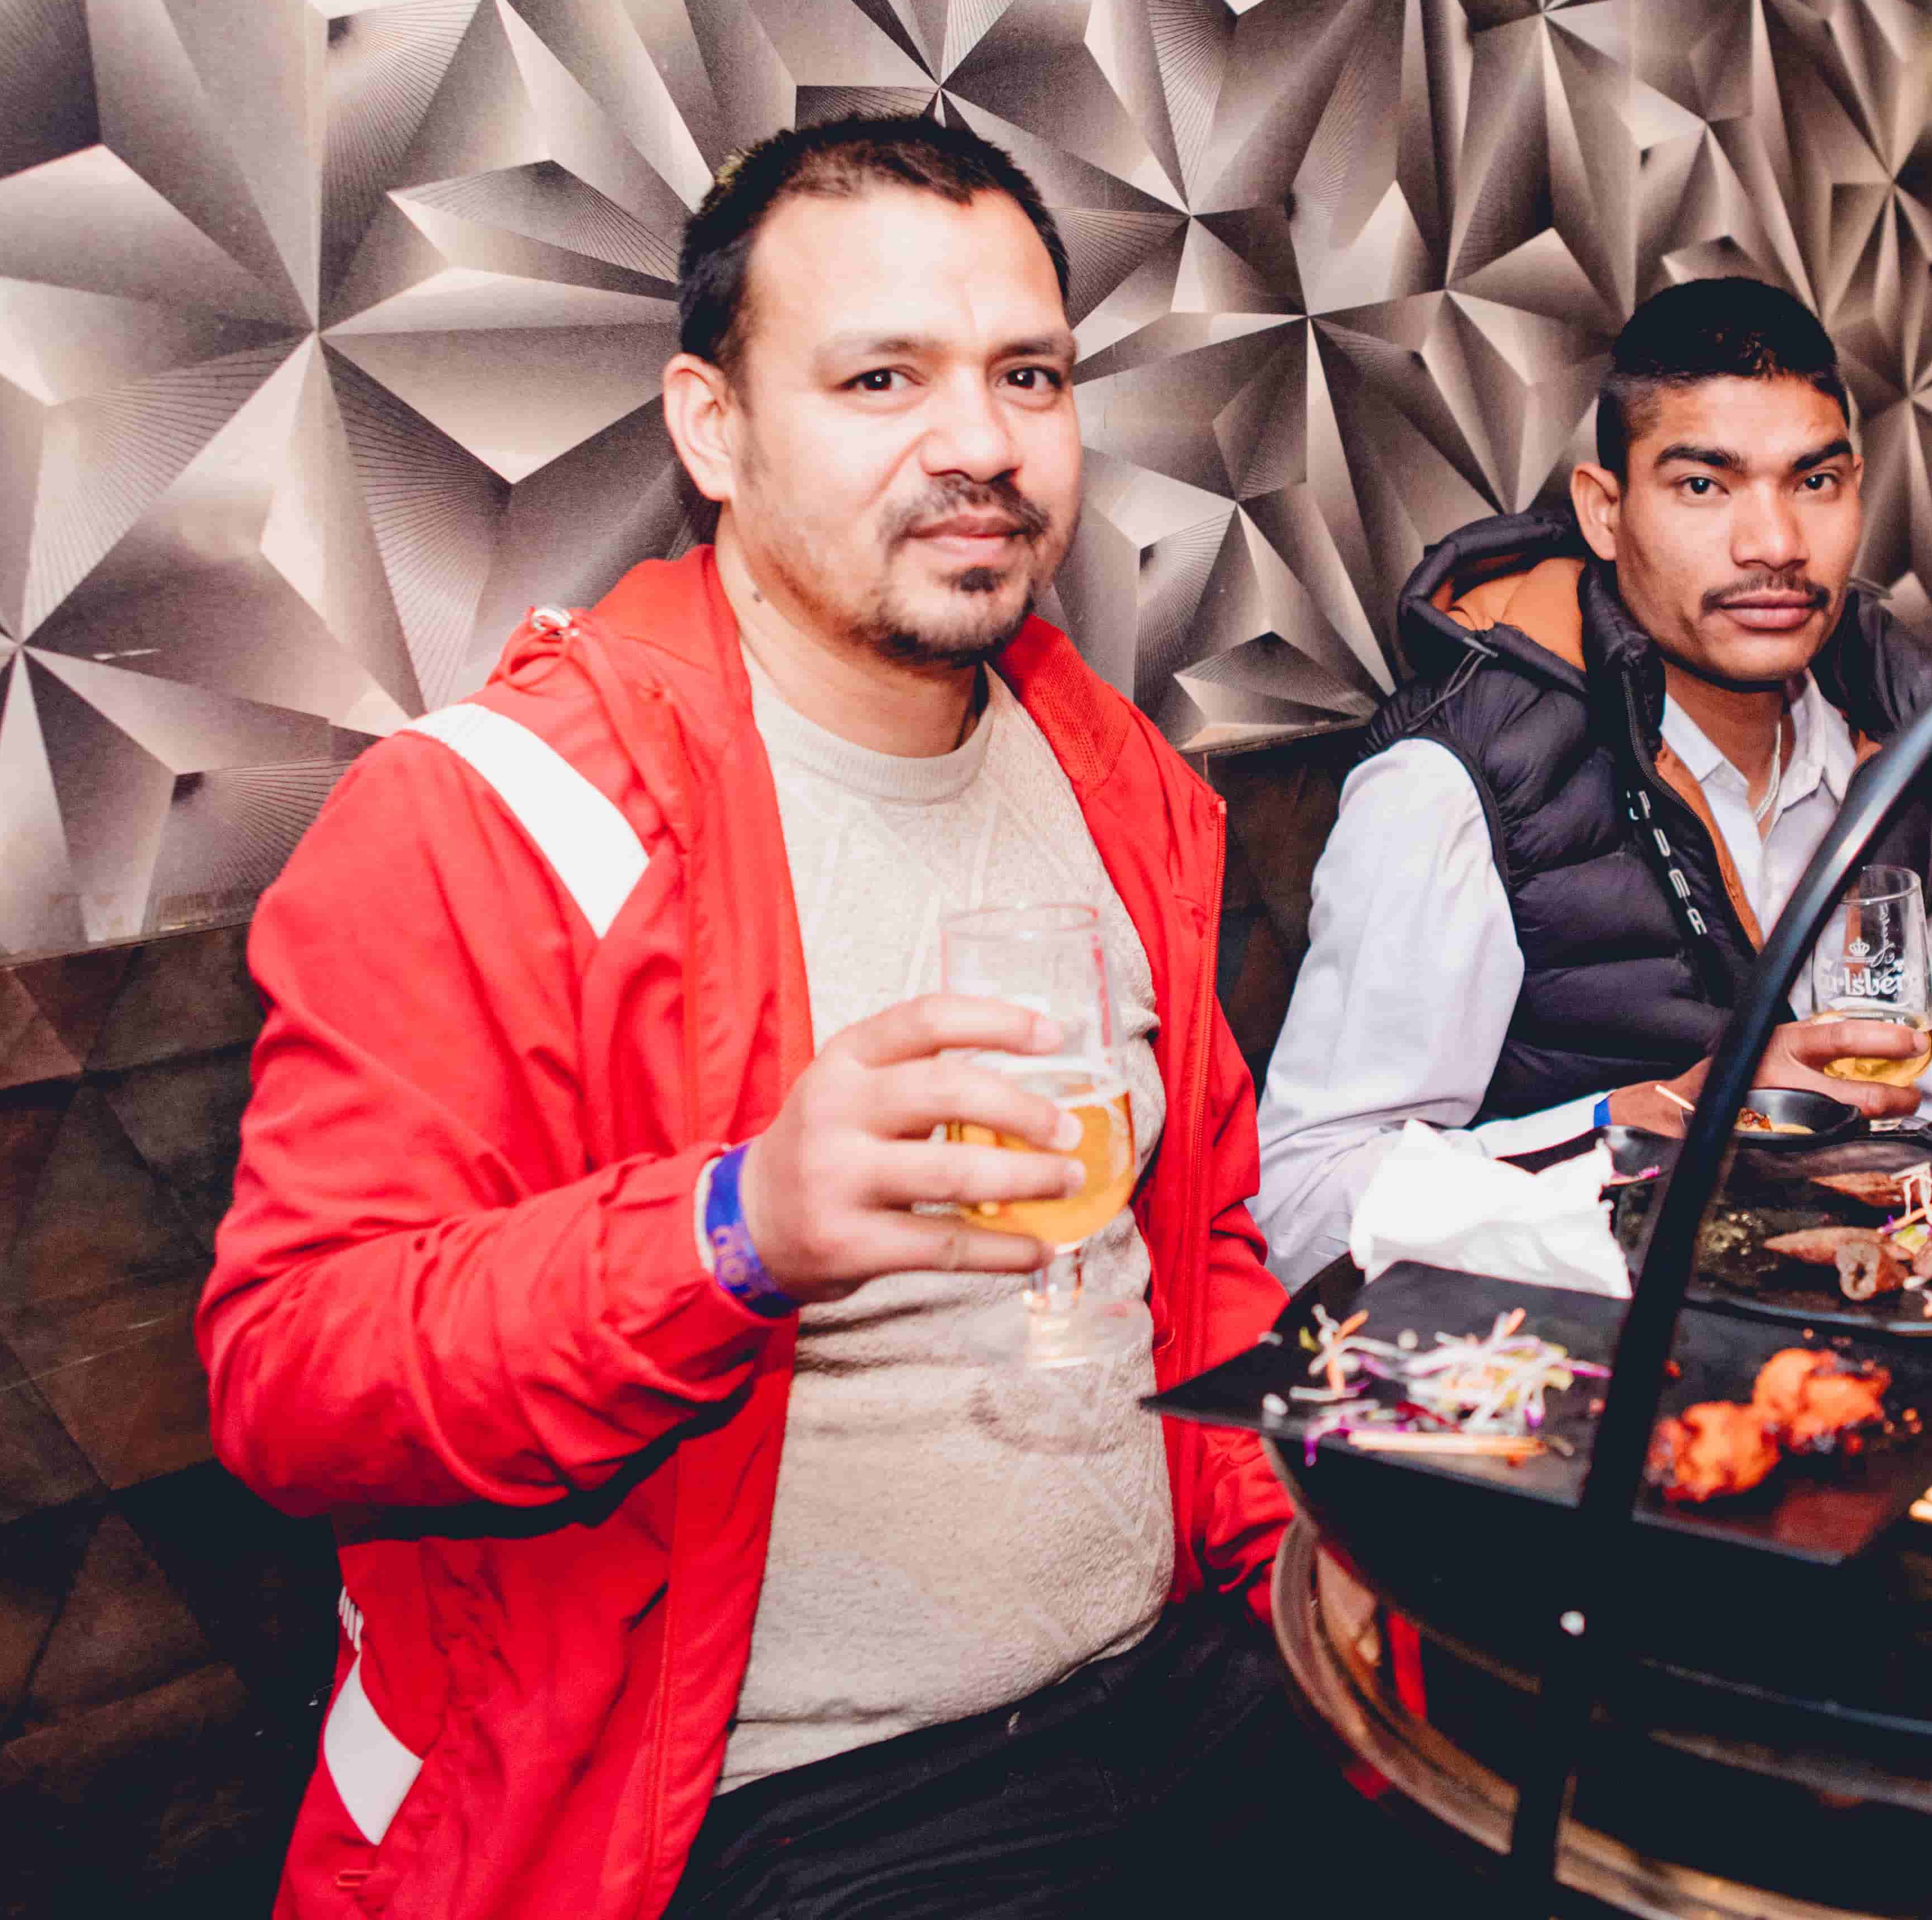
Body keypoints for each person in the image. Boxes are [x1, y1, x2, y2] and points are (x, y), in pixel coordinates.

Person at [199, 116, 1361, 1918]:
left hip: (1176, 1686)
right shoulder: (493, 815)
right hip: (770, 1801)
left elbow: (1193, 1248)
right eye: (882, 377)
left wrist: (1301, 1556)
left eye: (1028, 375)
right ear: (713, 427)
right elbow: (293, 1374)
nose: (980, 443)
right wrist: (732, 1229)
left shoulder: (1116, 778)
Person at [1253, 278, 1932, 1287]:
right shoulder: (1459, 786)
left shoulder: (1907, 761)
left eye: (1814, 482)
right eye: (1704, 486)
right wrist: (1647, 1127)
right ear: (1606, 512)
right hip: (1566, 1364)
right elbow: (1300, 1204)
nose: (1776, 544)